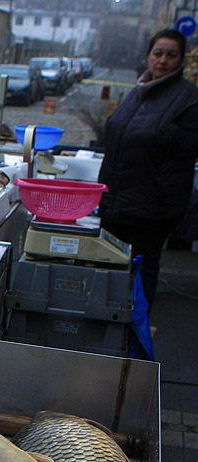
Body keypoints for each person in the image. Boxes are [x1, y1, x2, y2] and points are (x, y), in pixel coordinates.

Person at [98, 28, 198, 309]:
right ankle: (111, 326)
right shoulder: (139, 91)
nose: (162, 61)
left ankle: (137, 333)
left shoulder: (188, 99)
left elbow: (190, 147)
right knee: (111, 266)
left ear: (181, 60)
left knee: (142, 270)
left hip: (151, 208)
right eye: (158, 53)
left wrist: (166, 133)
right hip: (116, 201)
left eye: (171, 55)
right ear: (148, 55)